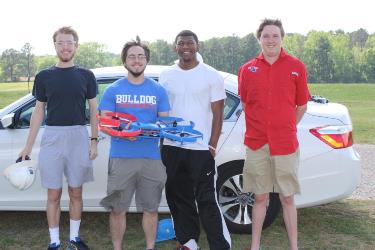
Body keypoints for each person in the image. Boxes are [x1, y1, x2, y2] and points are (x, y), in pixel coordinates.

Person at [19, 26, 98, 250]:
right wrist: (27, 146)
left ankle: (74, 238)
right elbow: (38, 111)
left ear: (76, 45)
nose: (65, 46)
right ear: (55, 45)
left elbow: (94, 110)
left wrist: (94, 140)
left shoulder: (86, 76)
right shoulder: (44, 77)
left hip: (78, 136)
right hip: (52, 137)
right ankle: (54, 241)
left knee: (76, 191)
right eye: (61, 42)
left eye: (69, 42)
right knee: (53, 192)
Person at [238, 19, 310, 250]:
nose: (270, 40)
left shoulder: (296, 66)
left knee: (287, 198)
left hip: (285, 144)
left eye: (275, 36)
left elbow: (301, 106)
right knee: (260, 197)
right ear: (259, 38)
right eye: (266, 36)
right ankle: (255, 245)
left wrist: (286, 126)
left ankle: (294, 246)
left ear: (282, 38)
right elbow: (246, 103)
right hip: (257, 144)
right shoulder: (247, 69)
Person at [159, 30, 231, 250]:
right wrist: (163, 141)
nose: (185, 47)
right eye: (181, 43)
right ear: (175, 48)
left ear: (197, 46)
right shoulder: (166, 75)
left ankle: (220, 245)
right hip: (172, 146)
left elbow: (218, 113)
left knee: (207, 199)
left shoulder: (211, 75)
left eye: (190, 43)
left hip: (200, 148)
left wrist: (212, 144)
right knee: (177, 196)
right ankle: (189, 241)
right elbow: (163, 110)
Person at [98, 37, 170, 250]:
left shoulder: (158, 90)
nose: (136, 60)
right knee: (117, 209)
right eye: (132, 56)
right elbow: (105, 123)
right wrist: (121, 134)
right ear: (125, 61)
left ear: (146, 60)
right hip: (121, 158)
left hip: (152, 159)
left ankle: (150, 247)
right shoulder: (113, 90)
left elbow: (164, 124)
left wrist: (151, 130)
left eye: (140, 56)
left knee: (151, 209)